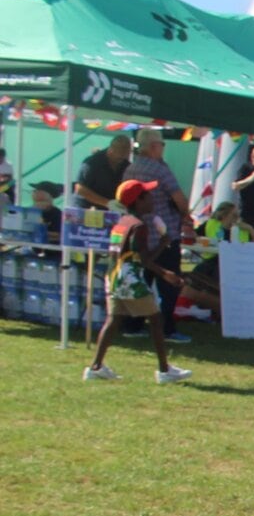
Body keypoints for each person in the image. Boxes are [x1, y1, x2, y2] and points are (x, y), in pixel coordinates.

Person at [81, 184, 192, 385]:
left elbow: (135, 256)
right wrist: (166, 273)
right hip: (130, 277)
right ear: (138, 201)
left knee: (113, 320)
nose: (152, 199)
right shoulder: (139, 226)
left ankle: (95, 367)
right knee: (156, 319)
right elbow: (145, 260)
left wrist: (163, 242)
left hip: (113, 275)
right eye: (148, 195)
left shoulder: (122, 223)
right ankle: (164, 370)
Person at [125, 128, 193, 336]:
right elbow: (179, 199)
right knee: (169, 285)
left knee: (140, 281)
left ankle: (133, 325)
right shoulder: (160, 170)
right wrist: (186, 214)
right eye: (162, 144)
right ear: (154, 146)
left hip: (138, 233)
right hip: (163, 234)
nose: (163, 148)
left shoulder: (130, 169)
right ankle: (167, 328)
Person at [72, 134, 131, 211]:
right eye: (119, 157)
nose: (121, 160)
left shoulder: (125, 165)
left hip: (109, 211)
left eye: (125, 156)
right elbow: (80, 189)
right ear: (111, 150)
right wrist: (107, 203)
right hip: (86, 210)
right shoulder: (93, 163)